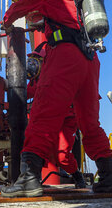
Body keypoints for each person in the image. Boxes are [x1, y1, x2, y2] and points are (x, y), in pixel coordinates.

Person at [1, 0, 112, 197]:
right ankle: (108, 177)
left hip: (65, 56)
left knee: (42, 114)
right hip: (90, 60)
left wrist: (7, 22)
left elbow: (18, 7)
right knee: (89, 123)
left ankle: (29, 179)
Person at [26, 48, 86, 189]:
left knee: (62, 156)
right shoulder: (37, 80)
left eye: (36, 61)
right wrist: (6, 86)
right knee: (36, 148)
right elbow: (25, 93)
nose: (33, 65)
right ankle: (32, 180)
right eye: (32, 62)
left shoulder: (61, 75)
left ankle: (77, 175)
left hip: (67, 118)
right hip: (48, 118)